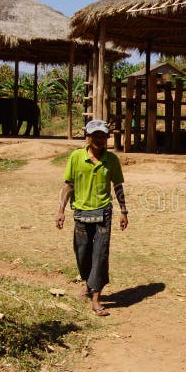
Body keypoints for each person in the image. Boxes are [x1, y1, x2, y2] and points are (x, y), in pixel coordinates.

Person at [56, 120, 128, 316]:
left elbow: (118, 186)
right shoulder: (76, 157)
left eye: (102, 136)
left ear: (107, 138)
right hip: (80, 213)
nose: (99, 139)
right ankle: (88, 283)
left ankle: (96, 298)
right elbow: (68, 185)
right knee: (82, 253)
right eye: (94, 135)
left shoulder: (112, 160)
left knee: (100, 254)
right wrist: (61, 210)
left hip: (103, 213)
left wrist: (123, 210)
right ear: (86, 137)